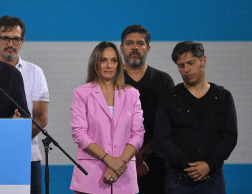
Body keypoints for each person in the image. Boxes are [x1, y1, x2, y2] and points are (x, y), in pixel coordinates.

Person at [154, 41, 238, 194]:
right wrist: (188, 166)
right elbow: (161, 138)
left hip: (213, 178)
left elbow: (230, 136)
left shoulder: (223, 97)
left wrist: (208, 165)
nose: (186, 70)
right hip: (178, 179)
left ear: (203, 61)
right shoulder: (169, 98)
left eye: (190, 63)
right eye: (181, 66)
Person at [70, 41, 145, 194]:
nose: (109, 65)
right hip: (90, 176)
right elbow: (79, 134)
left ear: (119, 64)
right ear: (95, 63)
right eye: (103, 60)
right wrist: (110, 160)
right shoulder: (81, 93)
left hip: (124, 176)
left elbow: (138, 133)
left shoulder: (132, 94)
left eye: (113, 60)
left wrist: (119, 164)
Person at [0, 15, 49, 194]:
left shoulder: (35, 72)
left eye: (16, 39)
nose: (11, 43)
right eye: (5, 38)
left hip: (27, 158)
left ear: (22, 42)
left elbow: (40, 118)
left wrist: (14, 141)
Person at [120, 24, 174, 194]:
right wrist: (130, 156)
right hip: (117, 162)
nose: (135, 47)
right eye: (129, 43)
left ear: (148, 48)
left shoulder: (164, 80)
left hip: (156, 162)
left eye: (140, 43)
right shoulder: (111, 81)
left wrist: (144, 150)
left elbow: (169, 124)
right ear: (121, 48)